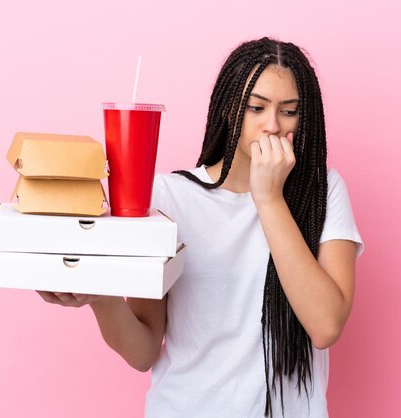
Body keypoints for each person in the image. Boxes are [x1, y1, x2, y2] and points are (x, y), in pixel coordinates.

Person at [37, 37, 364, 418]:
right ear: (228, 108)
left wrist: (270, 198)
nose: (272, 126)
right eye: (256, 108)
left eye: (288, 112)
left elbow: (325, 326)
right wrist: (101, 297)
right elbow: (143, 351)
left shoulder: (323, 192)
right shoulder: (168, 198)